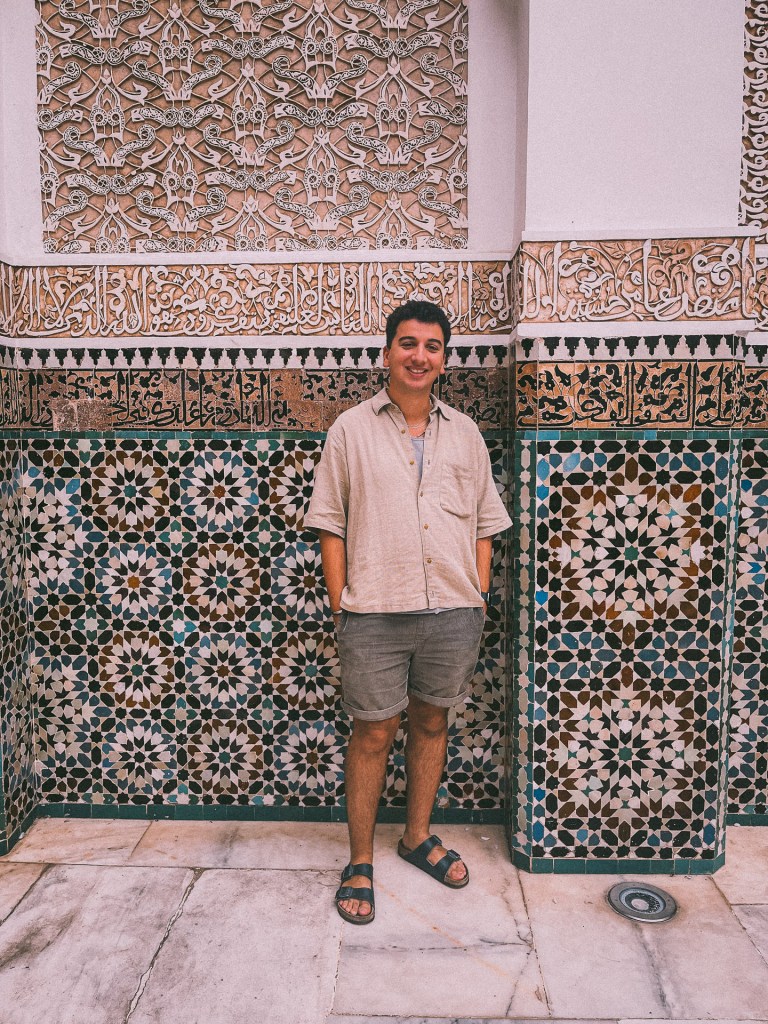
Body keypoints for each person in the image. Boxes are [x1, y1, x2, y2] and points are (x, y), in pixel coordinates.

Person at [304, 300, 511, 925]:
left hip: (453, 610)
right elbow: (329, 524)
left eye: (432, 346)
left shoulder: (466, 433)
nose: (419, 356)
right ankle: (360, 860)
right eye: (407, 343)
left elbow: (484, 521)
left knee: (431, 724)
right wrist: (343, 602)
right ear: (387, 352)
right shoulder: (351, 430)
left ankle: (415, 835)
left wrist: (477, 587)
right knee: (371, 731)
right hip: (374, 612)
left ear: (444, 359)